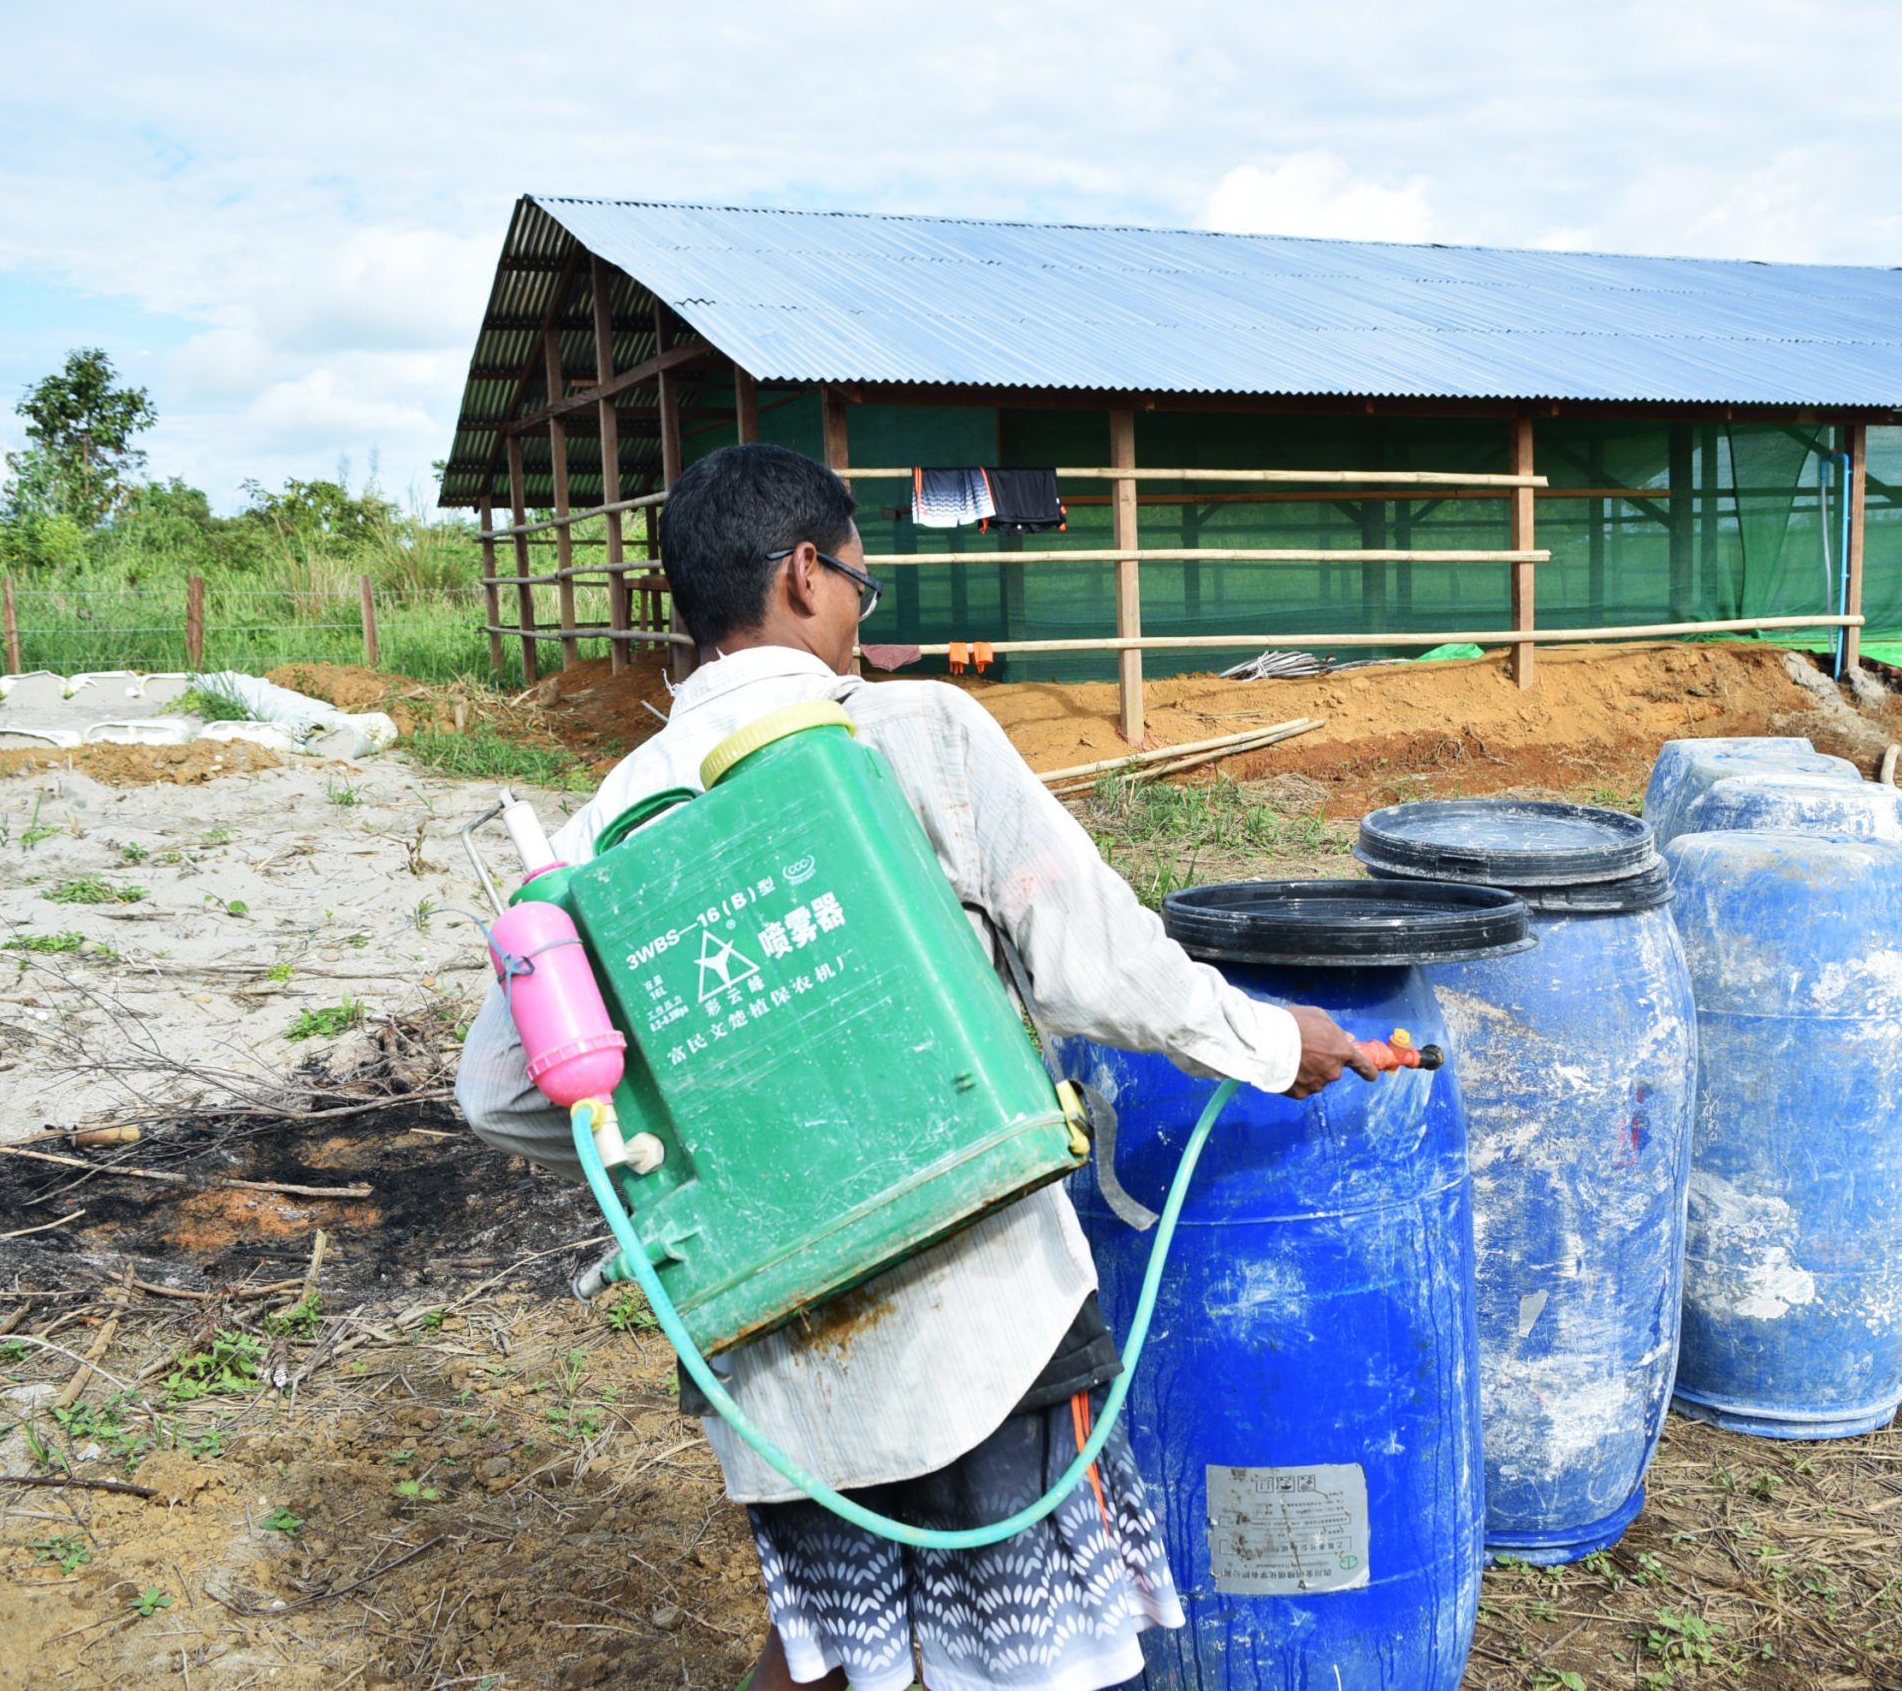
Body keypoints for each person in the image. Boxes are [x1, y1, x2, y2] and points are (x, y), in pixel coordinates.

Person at [454, 443, 1377, 1691]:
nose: (856, 618)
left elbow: (505, 1092)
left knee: (829, 1646)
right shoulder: (908, 728)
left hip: (773, 1344)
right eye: (858, 584)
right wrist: (1274, 1042)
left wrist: (705, 1114)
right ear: (800, 574)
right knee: (1027, 1658)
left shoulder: (599, 836)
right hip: (981, 1308)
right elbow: (1094, 960)